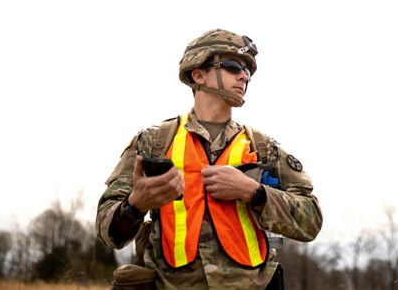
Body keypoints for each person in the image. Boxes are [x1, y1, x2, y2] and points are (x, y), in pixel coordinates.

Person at [96, 29, 323, 289]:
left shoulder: (263, 149)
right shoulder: (152, 143)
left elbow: (312, 221)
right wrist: (135, 205)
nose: (243, 76)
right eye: (233, 66)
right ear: (199, 74)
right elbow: (107, 233)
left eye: (247, 71)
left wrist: (255, 193)